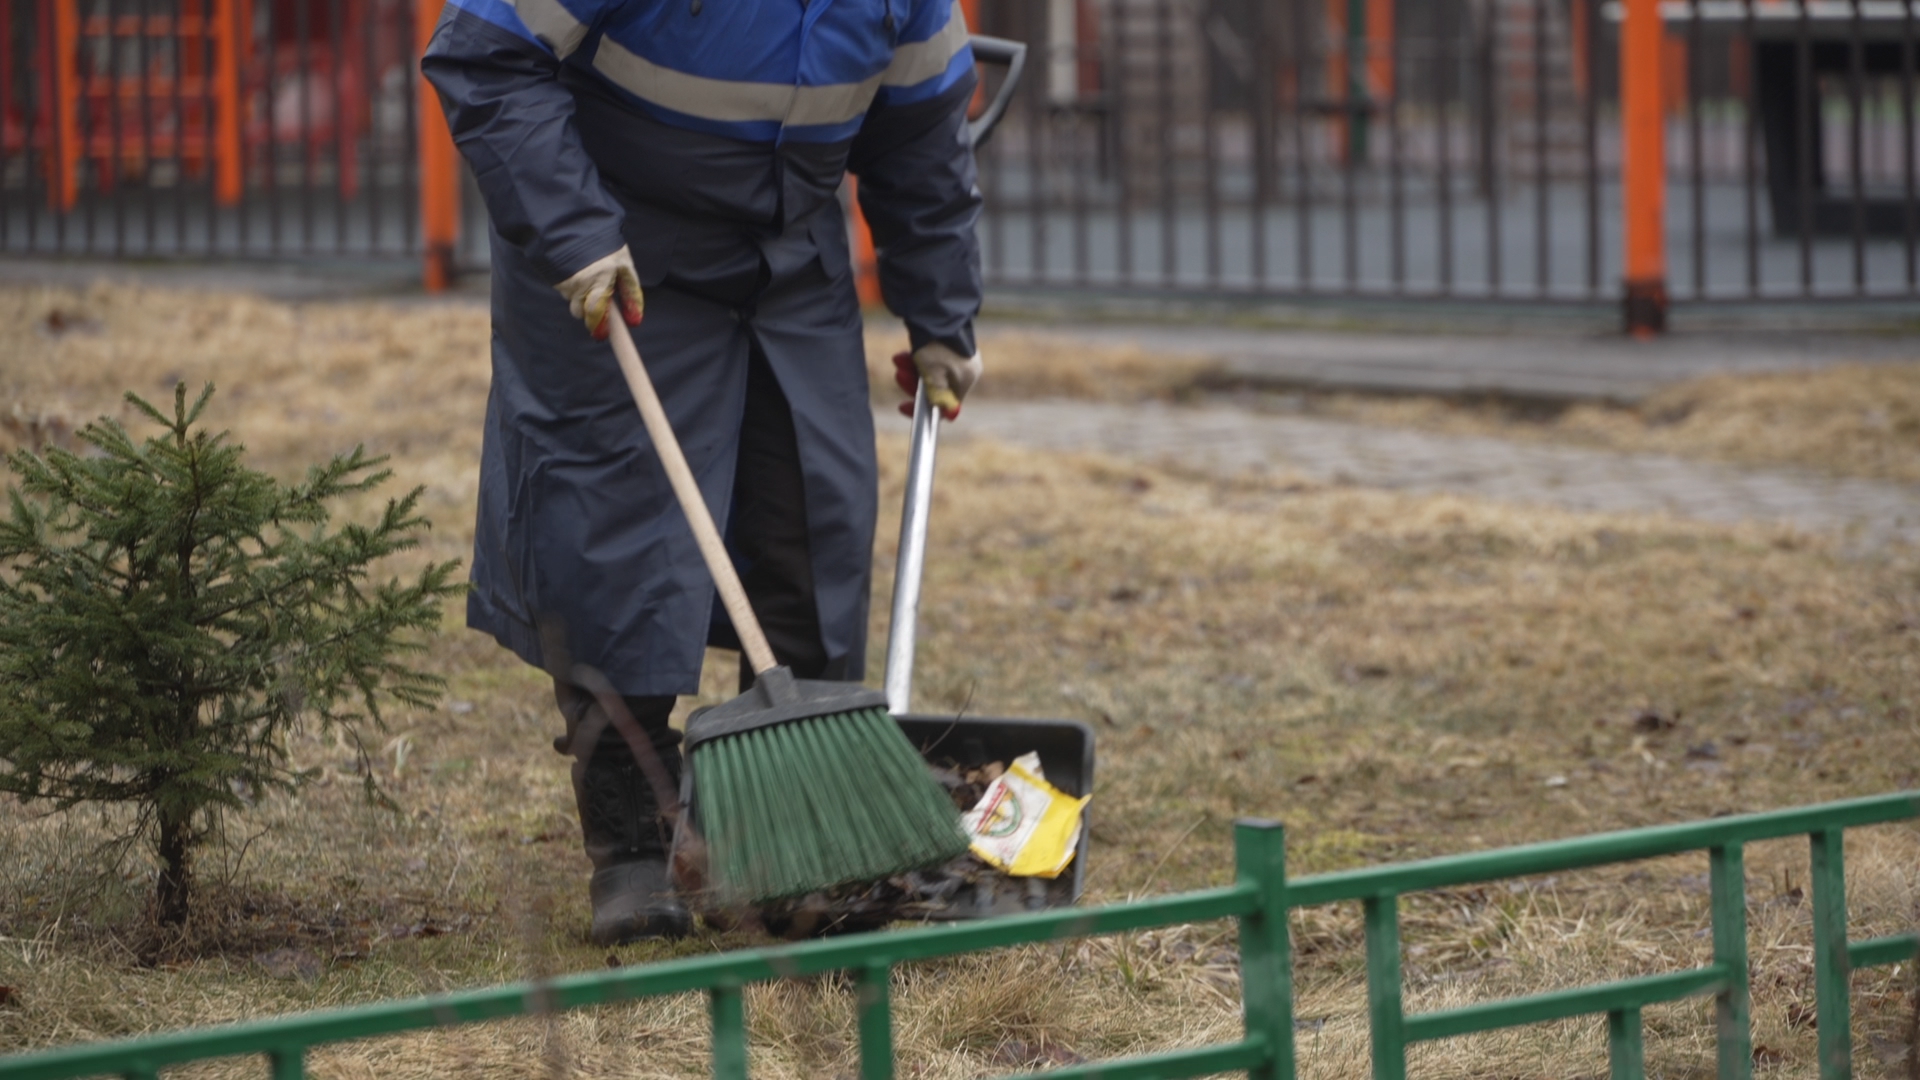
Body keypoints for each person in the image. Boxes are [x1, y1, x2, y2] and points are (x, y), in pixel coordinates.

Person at [421, 0, 985, 944]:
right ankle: (634, 847)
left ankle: (807, 839)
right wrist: (572, 228)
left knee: (815, 516)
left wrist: (941, 314)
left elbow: (918, 132)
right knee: (617, 538)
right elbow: (485, 53)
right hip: (617, 244)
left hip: (790, 252)